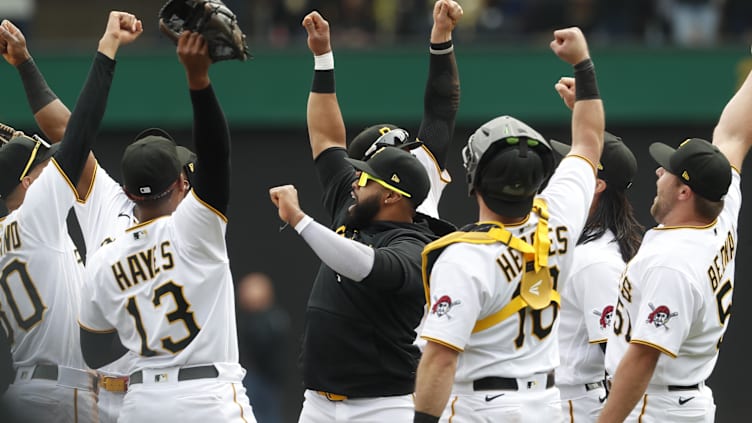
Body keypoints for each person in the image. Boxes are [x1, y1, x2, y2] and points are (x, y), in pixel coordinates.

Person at [0, 19, 198, 423]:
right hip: (96, 396)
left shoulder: (196, 228)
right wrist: (24, 64)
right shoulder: (113, 204)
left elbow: (72, 138)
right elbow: (71, 134)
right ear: (177, 182)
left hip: (161, 393)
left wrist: (25, 63)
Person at [413, 26, 605, 423]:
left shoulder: (463, 257)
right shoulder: (560, 216)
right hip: (547, 405)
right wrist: (583, 65)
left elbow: (439, 361)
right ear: (538, 180)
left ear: (474, 182)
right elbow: (589, 140)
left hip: (480, 408)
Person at [267, 10, 437, 422]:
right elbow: (327, 139)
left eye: (369, 180)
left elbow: (365, 266)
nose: (357, 182)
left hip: (383, 407)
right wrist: (323, 57)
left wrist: (301, 220)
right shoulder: (353, 203)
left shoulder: (416, 245)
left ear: (395, 198)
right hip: (319, 403)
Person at [77, 31, 254, 423]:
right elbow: (216, 154)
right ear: (180, 182)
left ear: (128, 193)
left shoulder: (105, 257)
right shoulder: (193, 228)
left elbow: (93, 352)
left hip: (142, 402)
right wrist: (199, 80)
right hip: (208, 396)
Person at [597, 53, 752, 423]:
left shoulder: (674, 263)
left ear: (685, 192)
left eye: (668, 170)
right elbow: (733, 133)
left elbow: (642, 359)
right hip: (680, 399)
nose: (658, 171)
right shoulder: (719, 210)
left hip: (654, 407)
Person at [550, 130, 643, 421]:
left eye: (576, 164)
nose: (565, 170)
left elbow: (617, 359)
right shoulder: (586, 243)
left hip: (576, 405)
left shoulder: (595, 261)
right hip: (563, 400)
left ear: (597, 184)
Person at [346, 0, 462, 222]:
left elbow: (442, 105)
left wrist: (441, 36)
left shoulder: (421, 171)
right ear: (361, 175)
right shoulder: (353, 212)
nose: (408, 158)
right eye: (396, 153)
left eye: (406, 151)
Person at [236, 272, 290, 423]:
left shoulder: (274, 319)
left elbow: (269, 349)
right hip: (249, 379)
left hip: (267, 381)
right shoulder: (242, 320)